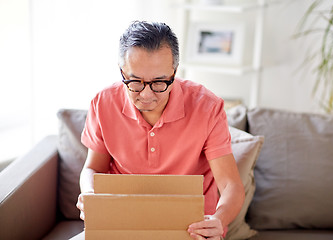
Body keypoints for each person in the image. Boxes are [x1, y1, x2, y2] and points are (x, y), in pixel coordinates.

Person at [76, 20, 245, 240]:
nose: (146, 95)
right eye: (135, 81)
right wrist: (89, 194)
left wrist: (218, 220)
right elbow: (92, 168)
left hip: (191, 229)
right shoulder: (103, 103)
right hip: (121, 223)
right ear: (122, 71)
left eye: (159, 82)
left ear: (174, 72)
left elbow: (230, 184)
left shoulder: (208, 107)